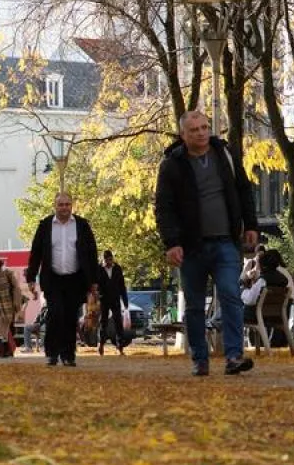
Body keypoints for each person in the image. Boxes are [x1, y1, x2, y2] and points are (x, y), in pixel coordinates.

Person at [155, 109, 259, 376]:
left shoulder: (225, 154)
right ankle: (200, 359)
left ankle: (234, 356)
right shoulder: (172, 164)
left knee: (230, 294)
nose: (201, 133)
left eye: (204, 127)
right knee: (194, 305)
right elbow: (164, 207)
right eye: (194, 130)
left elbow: (244, 190)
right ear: (183, 134)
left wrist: (251, 225)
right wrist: (172, 243)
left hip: (226, 242)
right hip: (191, 247)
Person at [25, 193, 99, 367]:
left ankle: (68, 355)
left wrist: (93, 281)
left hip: (75, 279)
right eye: (61, 204)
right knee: (56, 313)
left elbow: (92, 253)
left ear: (71, 205)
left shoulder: (82, 225)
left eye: (67, 204)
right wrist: (31, 278)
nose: (64, 208)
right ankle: (52, 353)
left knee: (70, 317)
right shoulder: (45, 225)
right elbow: (36, 252)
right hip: (53, 279)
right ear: (55, 206)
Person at [0, 254, 22, 358]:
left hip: (7, 305)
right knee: (5, 331)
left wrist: (16, 303)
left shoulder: (7, 273)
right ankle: (5, 351)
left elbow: (16, 288)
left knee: (2, 327)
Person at [96, 250, 130, 356]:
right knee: (103, 322)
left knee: (118, 322)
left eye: (110, 259)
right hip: (104, 299)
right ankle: (101, 344)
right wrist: (97, 296)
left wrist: (125, 301)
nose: (109, 262)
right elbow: (96, 284)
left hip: (115, 299)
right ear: (103, 260)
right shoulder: (99, 269)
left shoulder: (117, 268)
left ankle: (120, 347)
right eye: (107, 260)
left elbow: (122, 285)